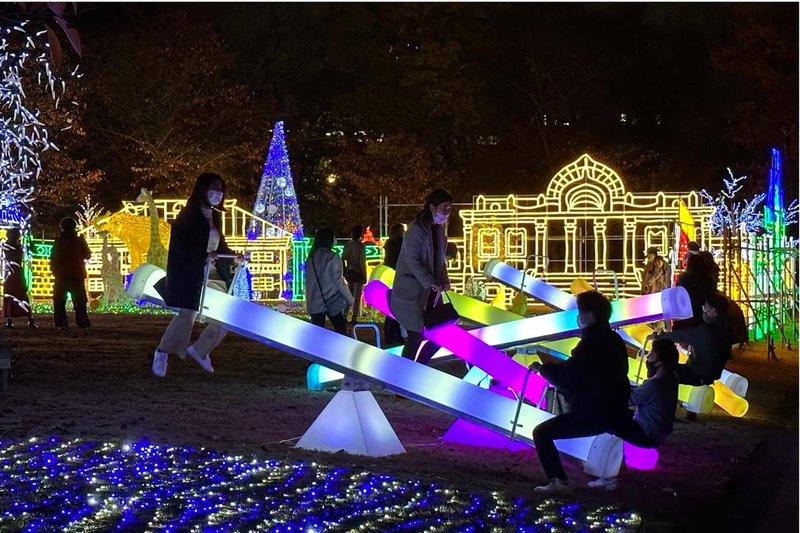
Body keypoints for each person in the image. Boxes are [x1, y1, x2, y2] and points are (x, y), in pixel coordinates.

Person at [530, 290, 630, 493]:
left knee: (541, 433)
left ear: (589, 316)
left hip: (592, 412)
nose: (578, 318)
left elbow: (566, 379)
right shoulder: (615, 341)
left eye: (580, 313)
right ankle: (607, 479)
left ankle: (558, 480)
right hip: (616, 410)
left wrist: (543, 369)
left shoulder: (589, 346)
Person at [152, 172, 240, 378]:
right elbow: (180, 246)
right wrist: (203, 254)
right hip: (191, 272)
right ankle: (163, 351)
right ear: (202, 189)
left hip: (213, 273)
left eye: (221, 189)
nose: (218, 193)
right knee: (188, 313)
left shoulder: (215, 217)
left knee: (225, 313)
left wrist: (233, 256)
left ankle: (201, 350)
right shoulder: (187, 216)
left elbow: (220, 245)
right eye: (214, 188)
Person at [588, 338, 680, 490]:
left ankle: (607, 477)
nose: (648, 356)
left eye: (652, 353)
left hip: (646, 435)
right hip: (658, 432)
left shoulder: (653, 385)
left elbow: (626, 400)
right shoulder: (672, 378)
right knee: (616, 414)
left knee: (605, 419)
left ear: (660, 361)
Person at [390, 188, 453, 365]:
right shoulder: (416, 229)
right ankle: (404, 375)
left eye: (449, 208)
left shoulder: (438, 231)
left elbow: (439, 260)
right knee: (415, 335)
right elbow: (412, 260)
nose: (447, 212)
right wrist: (430, 281)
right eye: (444, 208)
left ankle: (419, 366)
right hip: (413, 291)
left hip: (431, 292)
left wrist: (444, 280)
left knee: (440, 334)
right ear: (432, 208)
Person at [654, 292, 731, 386]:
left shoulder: (706, 331)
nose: (703, 311)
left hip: (696, 374)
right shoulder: (726, 331)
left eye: (705, 308)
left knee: (660, 369)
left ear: (714, 311)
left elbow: (682, 335)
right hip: (709, 376)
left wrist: (659, 337)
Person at [305, 227, 354, 335]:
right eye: (334, 237)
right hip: (331, 300)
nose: (335, 239)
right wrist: (350, 299)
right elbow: (338, 281)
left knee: (317, 335)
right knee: (341, 332)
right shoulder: (333, 257)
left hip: (314, 302)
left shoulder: (310, 258)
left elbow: (309, 281)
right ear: (329, 239)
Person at [50, 217, 92, 330]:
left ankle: (61, 323)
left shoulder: (58, 242)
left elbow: (53, 258)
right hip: (76, 274)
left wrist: (54, 270)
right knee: (80, 301)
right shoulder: (79, 241)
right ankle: (82, 322)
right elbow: (87, 255)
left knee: (59, 300)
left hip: (61, 274)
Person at [2, 228, 36, 328]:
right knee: (21, 295)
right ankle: (30, 319)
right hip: (17, 273)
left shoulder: (8, 246)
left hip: (11, 273)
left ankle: (10, 320)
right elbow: (32, 250)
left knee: (11, 296)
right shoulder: (19, 247)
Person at [673, 252, 715, 331]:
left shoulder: (683, 278)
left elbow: (678, 295)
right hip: (703, 314)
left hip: (686, 314)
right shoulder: (708, 279)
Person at [382, 223, 405, 346]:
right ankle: (393, 335)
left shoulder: (392, 243)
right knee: (394, 308)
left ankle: (392, 334)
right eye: (401, 231)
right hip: (396, 277)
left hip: (392, 277)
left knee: (392, 308)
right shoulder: (396, 243)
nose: (403, 233)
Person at [343, 224, 367, 324]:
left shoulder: (348, 245)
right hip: (359, 272)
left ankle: (344, 314)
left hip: (350, 271)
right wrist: (364, 275)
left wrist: (345, 269)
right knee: (357, 297)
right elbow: (362, 262)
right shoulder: (361, 246)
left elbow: (344, 257)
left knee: (349, 295)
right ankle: (354, 317)